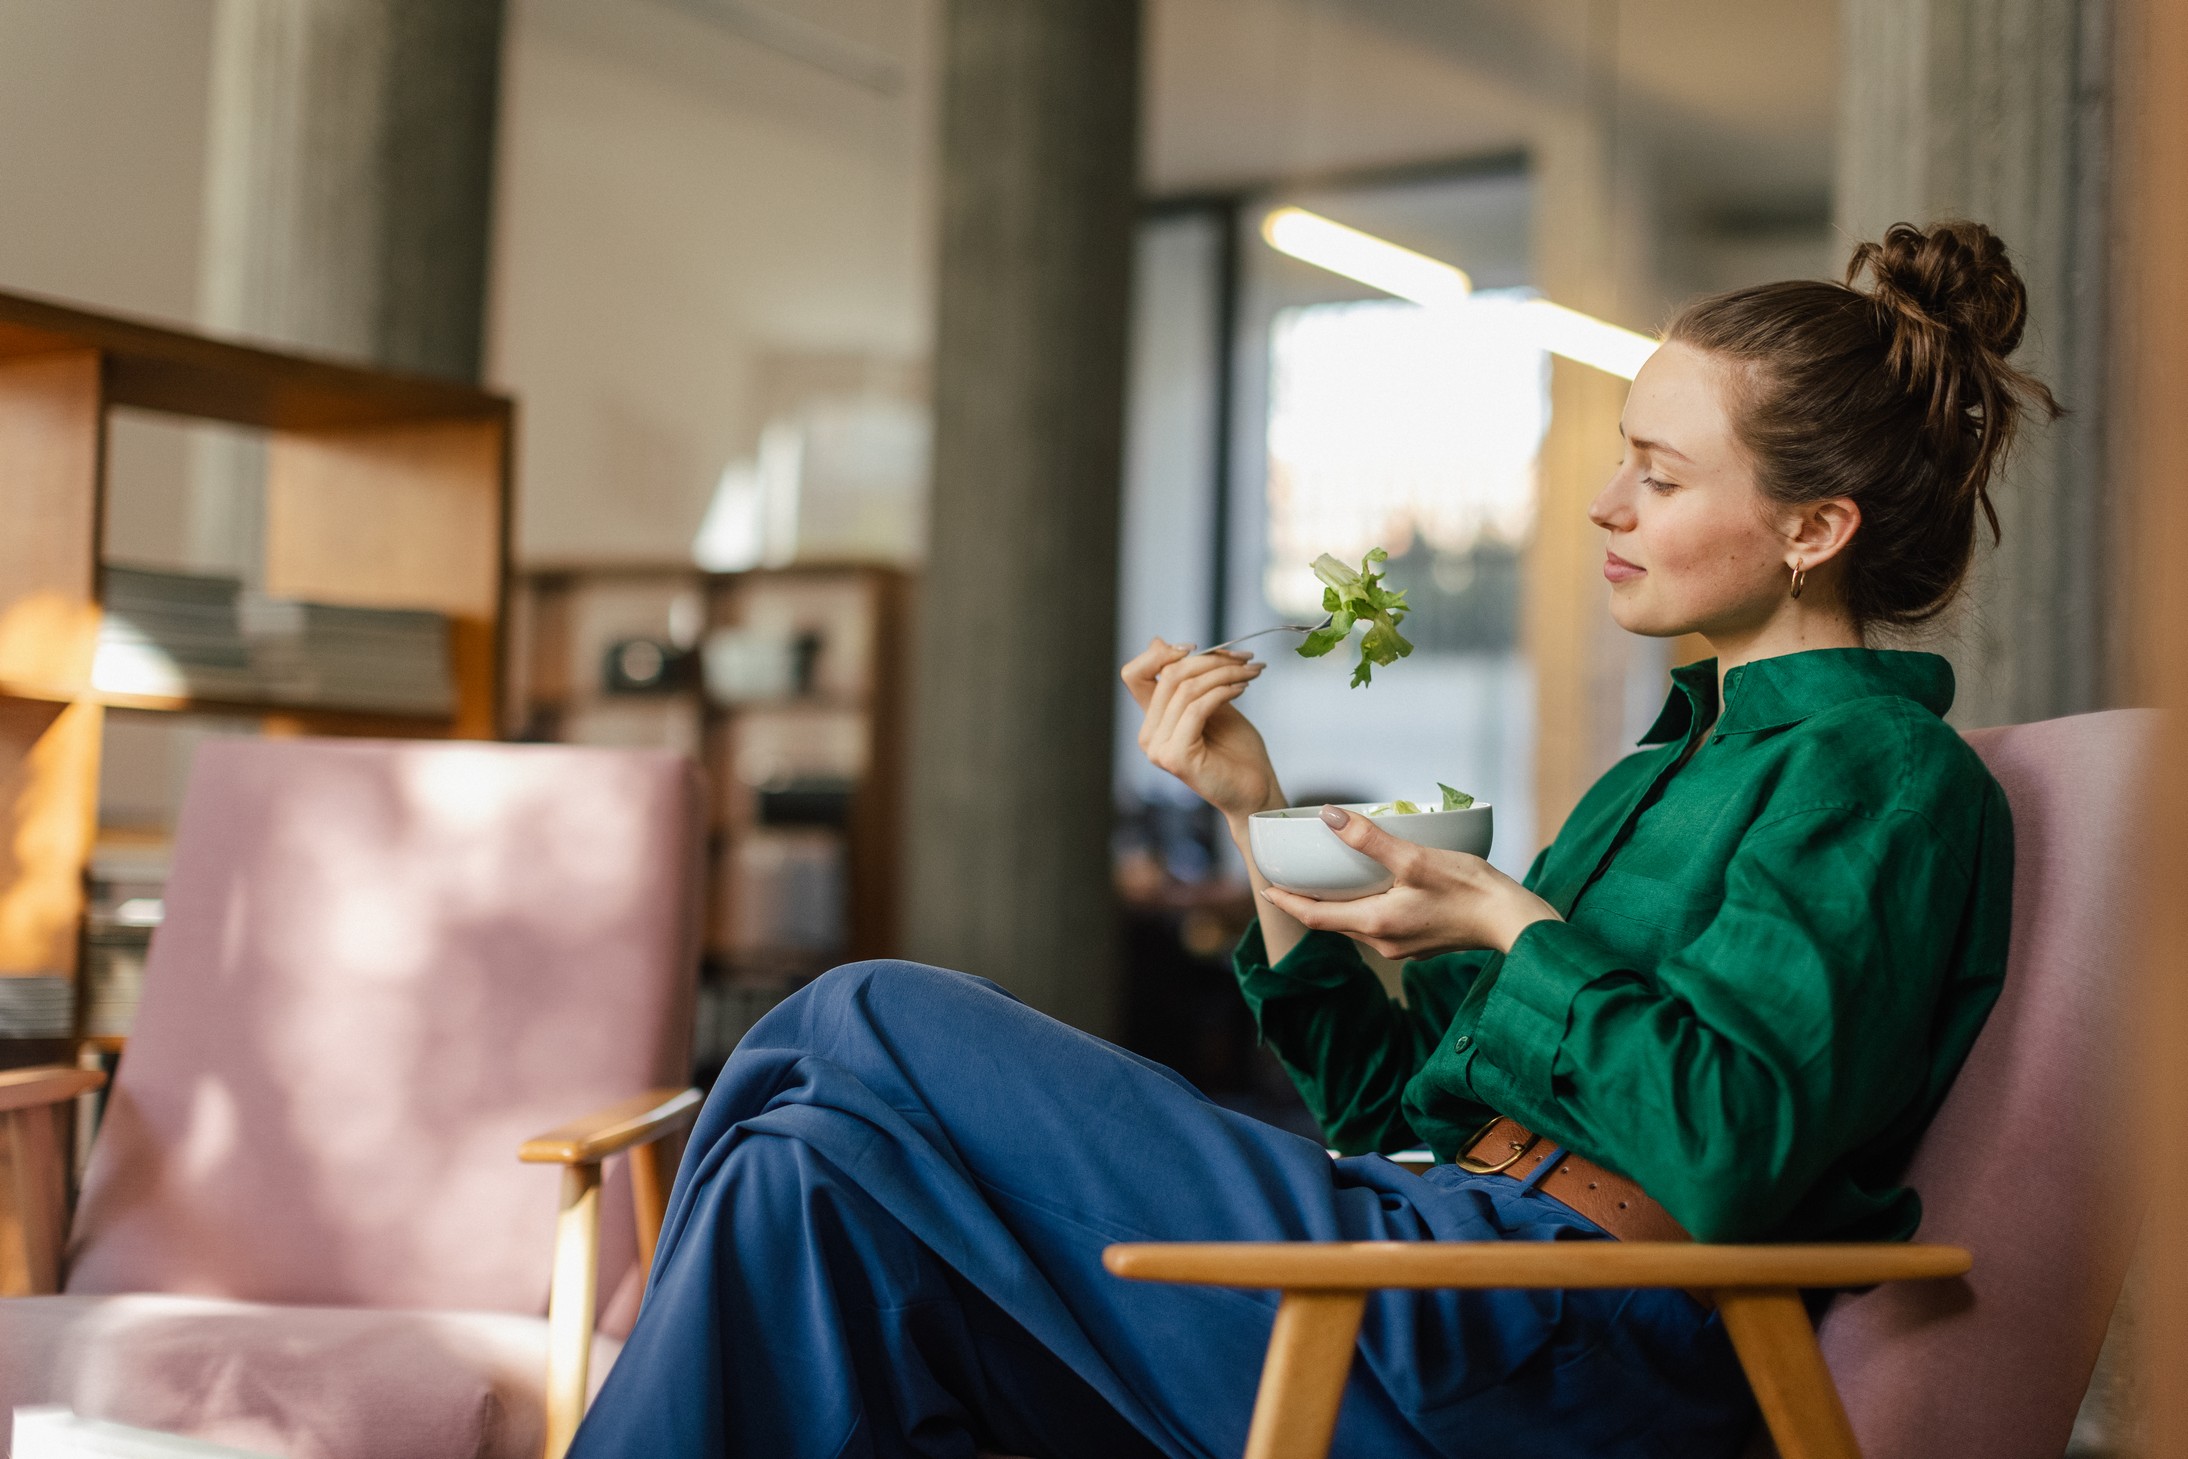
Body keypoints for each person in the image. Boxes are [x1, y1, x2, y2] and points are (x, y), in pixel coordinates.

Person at [566, 219, 2056, 1459]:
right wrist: (1255, 814)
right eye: (1623, 458)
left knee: (858, 1013)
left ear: (1816, 529)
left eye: (1661, 479)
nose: (1606, 504)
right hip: (1439, 1250)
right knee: (806, 1184)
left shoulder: (1886, 776)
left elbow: (1726, 1156)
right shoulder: (1658, 772)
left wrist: (1506, 924)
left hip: (1569, 1345)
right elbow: (1385, 1106)